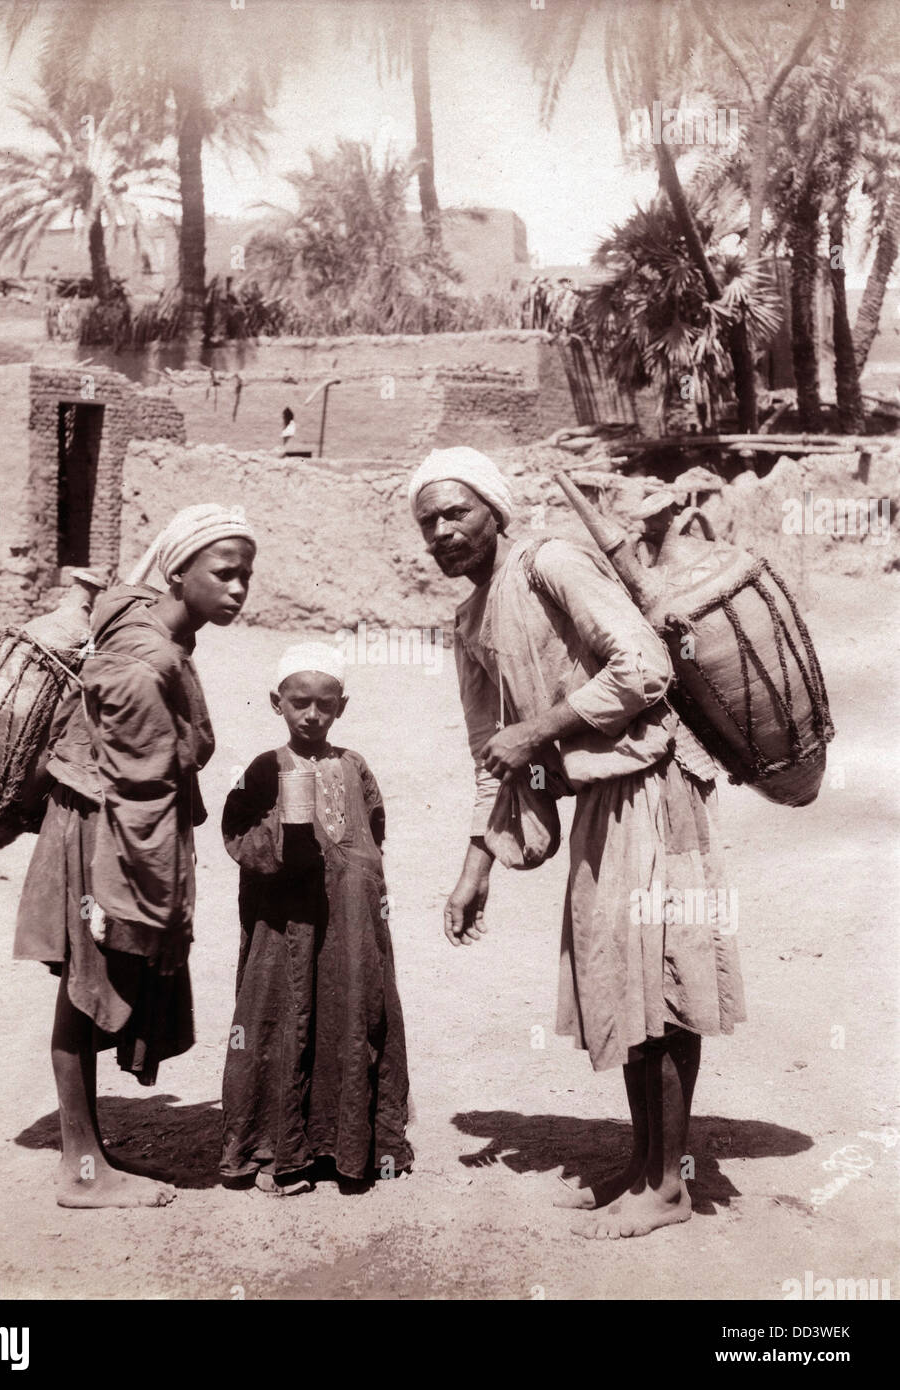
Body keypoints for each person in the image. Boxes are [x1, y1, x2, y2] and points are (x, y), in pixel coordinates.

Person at [409, 446, 744, 1239]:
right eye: (428, 522)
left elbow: (646, 666)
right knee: (619, 982)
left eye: (456, 512)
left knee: (657, 979)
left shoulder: (550, 562)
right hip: (600, 797)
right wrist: (474, 869)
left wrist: (544, 729)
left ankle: (668, 1185)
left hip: (656, 784)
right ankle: (641, 1166)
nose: (443, 531)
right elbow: (492, 754)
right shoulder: (470, 620)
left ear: (494, 509)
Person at [14, 503, 257, 1208]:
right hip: (108, 829)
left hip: (103, 814)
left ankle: (84, 1153)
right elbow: (142, 786)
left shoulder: (147, 617)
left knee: (86, 985)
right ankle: (82, 1171)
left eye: (247, 575)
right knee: (88, 982)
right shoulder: (147, 657)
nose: (239, 589)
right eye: (225, 573)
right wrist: (151, 902)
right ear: (179, 571)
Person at [219, 641, 412, 1194]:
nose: (311, 714)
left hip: (350, 929)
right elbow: (238, 835)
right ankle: (272, 1149)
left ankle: (348, 1148)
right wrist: (284, 842)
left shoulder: (354, 766)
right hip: (282, 928)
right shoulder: (263, 769)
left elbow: (372, 834)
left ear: (340, 707)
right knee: (276, 1020)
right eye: (299, 702)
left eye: (324, 705)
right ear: (276, 702)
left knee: (353, 1017)